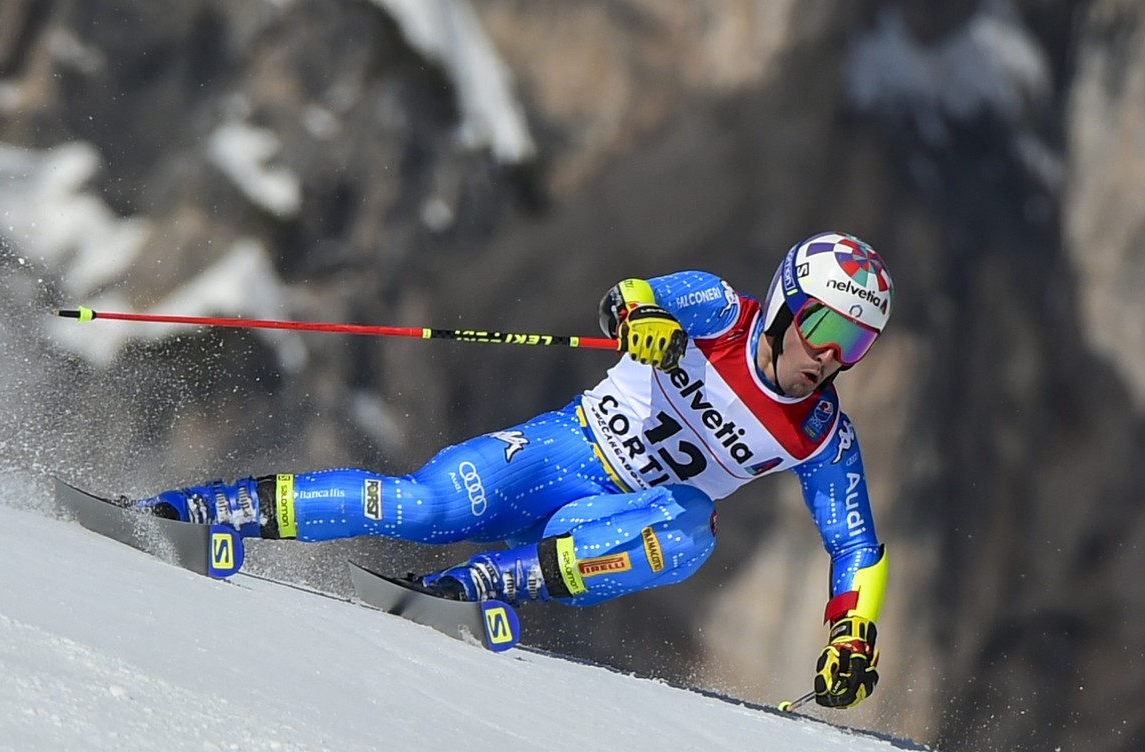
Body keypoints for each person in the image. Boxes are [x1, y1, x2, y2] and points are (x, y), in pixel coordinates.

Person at [134, 231, 891, 709]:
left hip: (602, 525)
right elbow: (633, 298)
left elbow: (855, 543)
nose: (830, 355)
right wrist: (646, 325)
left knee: (691, 530)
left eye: (855, 345)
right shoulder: (720, 310)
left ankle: (491, 583)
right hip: (562, 455)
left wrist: (852, 634)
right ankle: (214, 509)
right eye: (824, 326)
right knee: (420, 511)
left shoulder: (821, 433)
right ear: (788, 306)